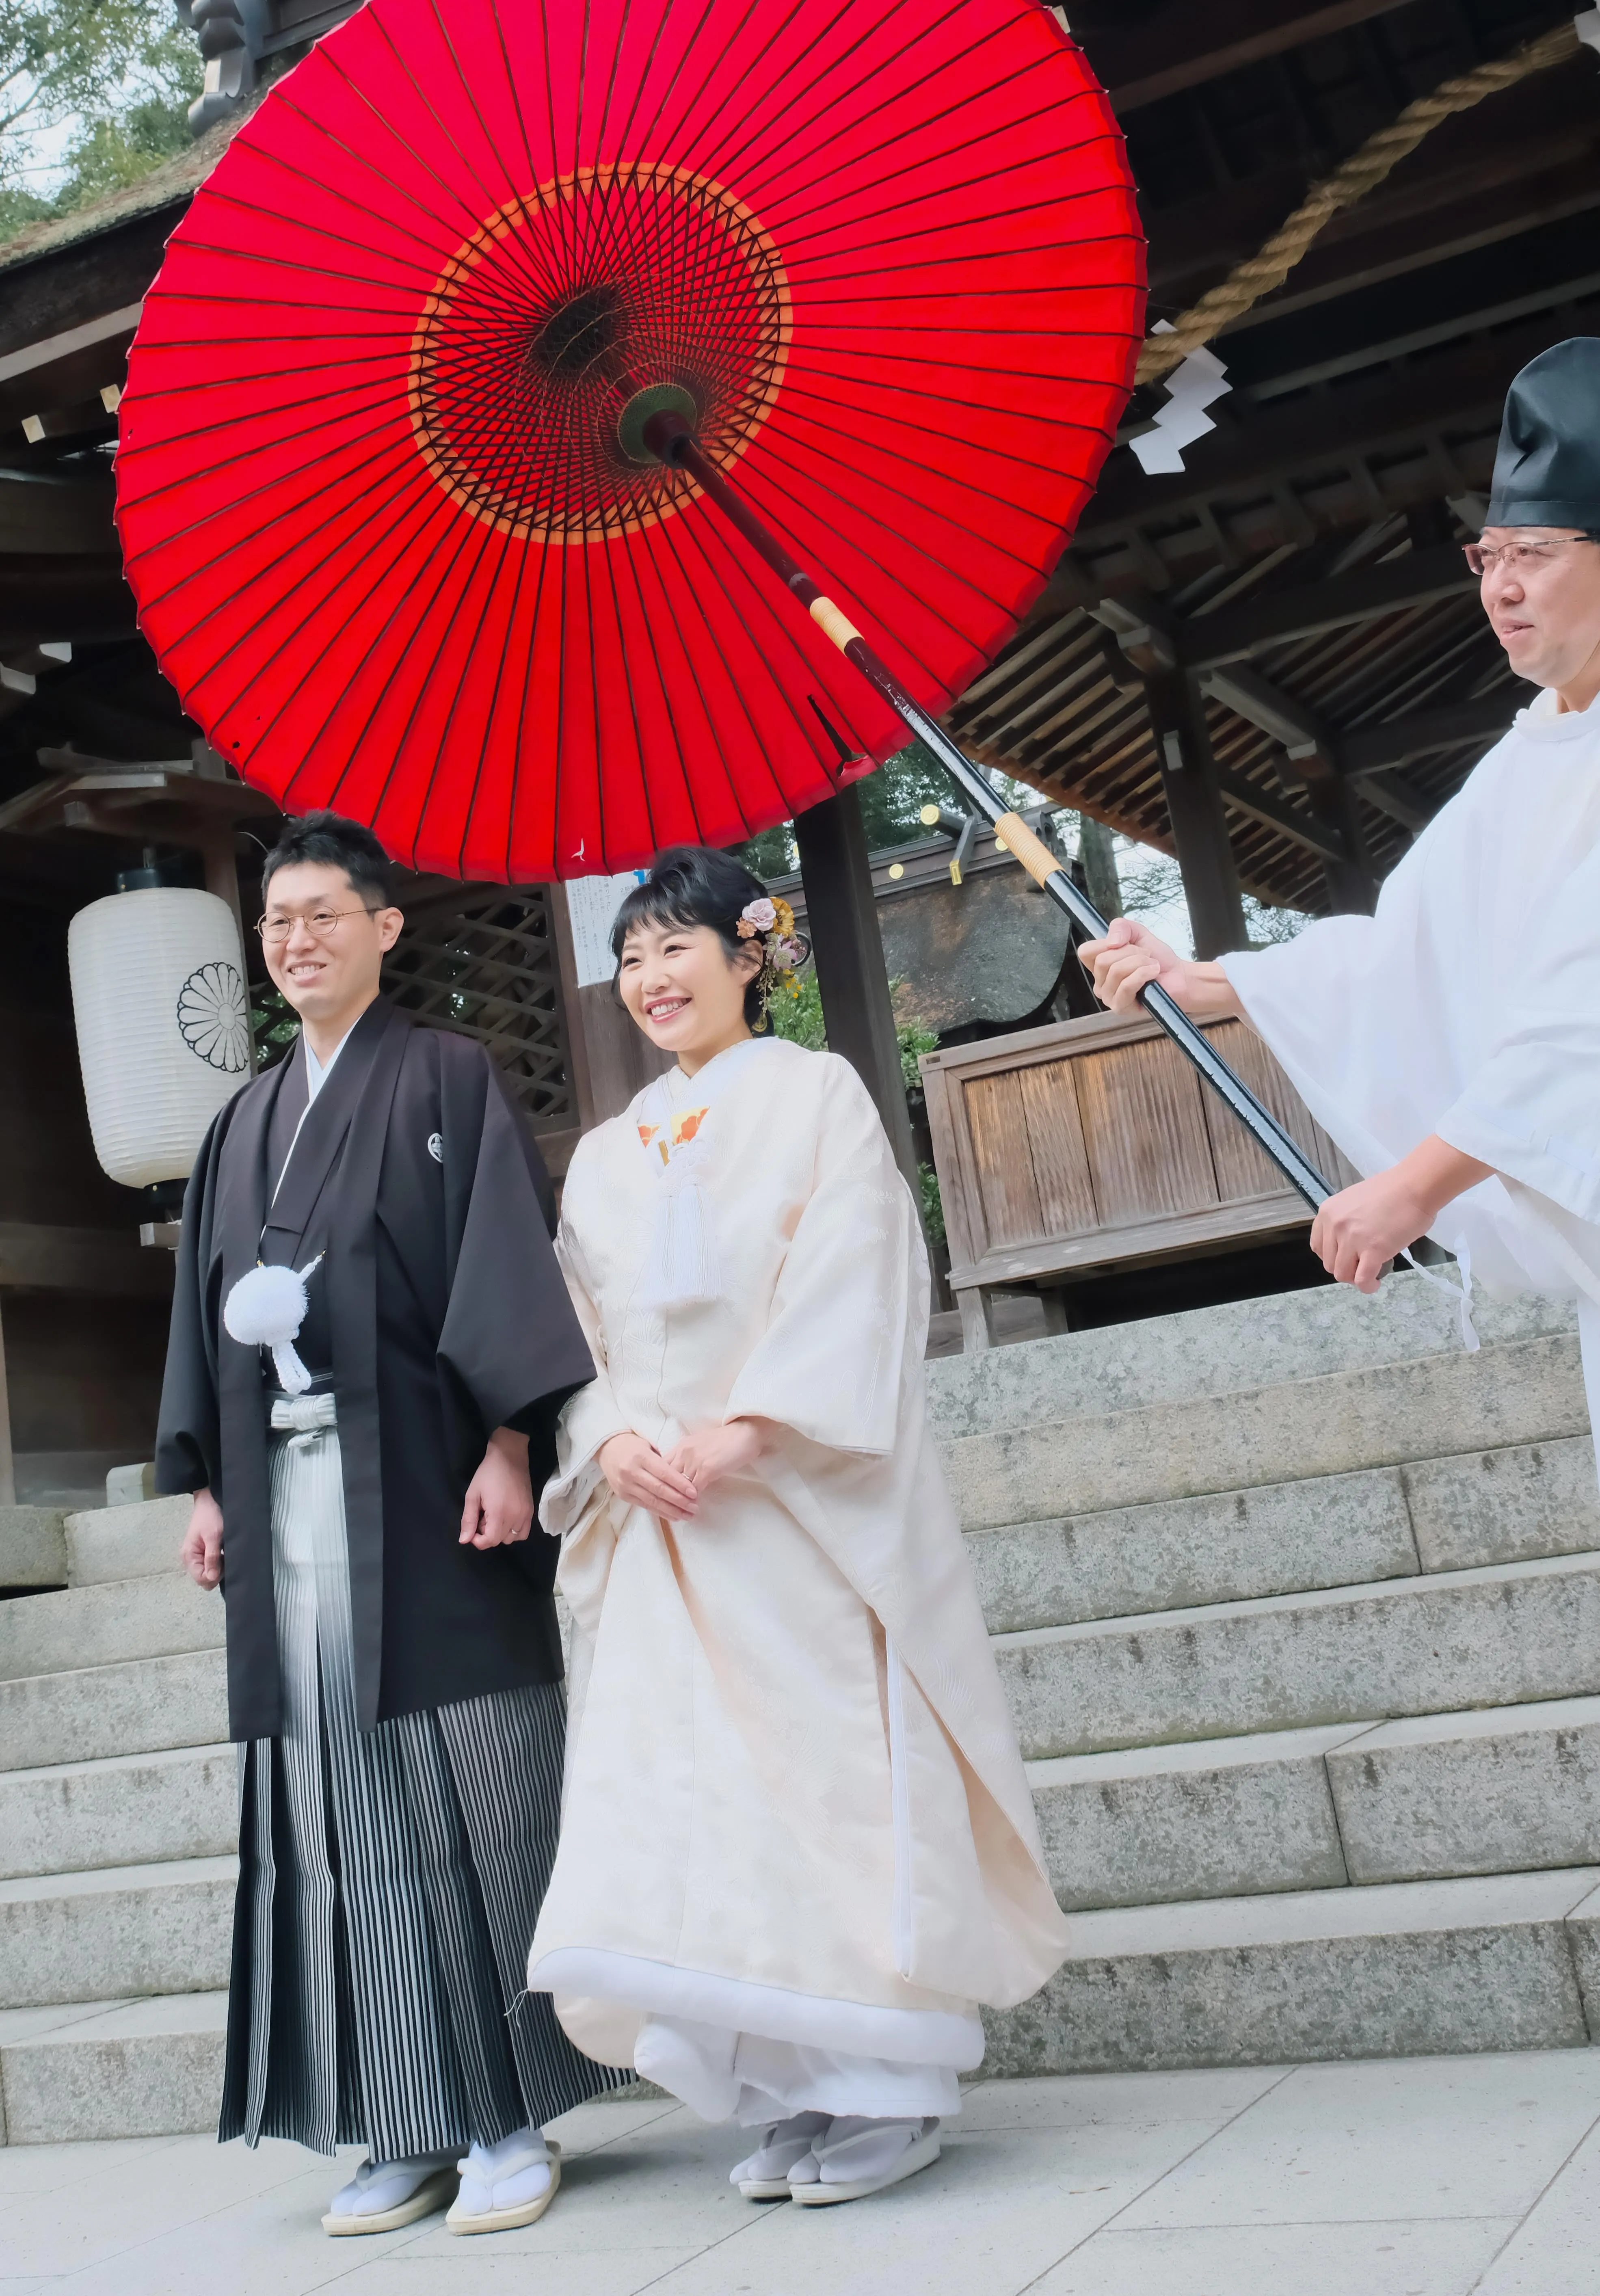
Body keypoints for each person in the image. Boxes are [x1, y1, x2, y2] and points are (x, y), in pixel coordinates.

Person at [526, 845, 1070, 2208]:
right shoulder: (601, 1157)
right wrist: (612, 1442)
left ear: (747, 956)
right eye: (632, 955)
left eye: (676, 947)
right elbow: (574, 1336)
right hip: (662, 1515)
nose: (651, 978)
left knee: (824, 1785)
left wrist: (746, 1431)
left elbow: (854, 1271)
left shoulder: (818, 1095)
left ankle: (884, 2087)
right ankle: (785, 2083)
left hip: (791, 1505)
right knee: (693, 1806)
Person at [157, 811, 625, 2238]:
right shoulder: (240, 1124)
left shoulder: (448, 1078)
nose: (295, 941)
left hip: (432, 1495)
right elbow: (200, 1324)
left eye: (321, 915)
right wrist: (208, 1485)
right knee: (333, 1805)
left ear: (384, 929)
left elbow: (503, 1269)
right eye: (276, 923)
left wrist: (507, 1440)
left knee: (472, 1790)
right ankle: (401, 2119)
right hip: (290, 1502)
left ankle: (509, 2117)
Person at [1084, 336, 1600, 1433]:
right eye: (1487, 555)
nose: (1501, 588)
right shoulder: (1530, 754)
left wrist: (1414, 1185)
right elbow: (1406, 949)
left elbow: (1580, 1016)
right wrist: (1208, 979)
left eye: (1538, 553)